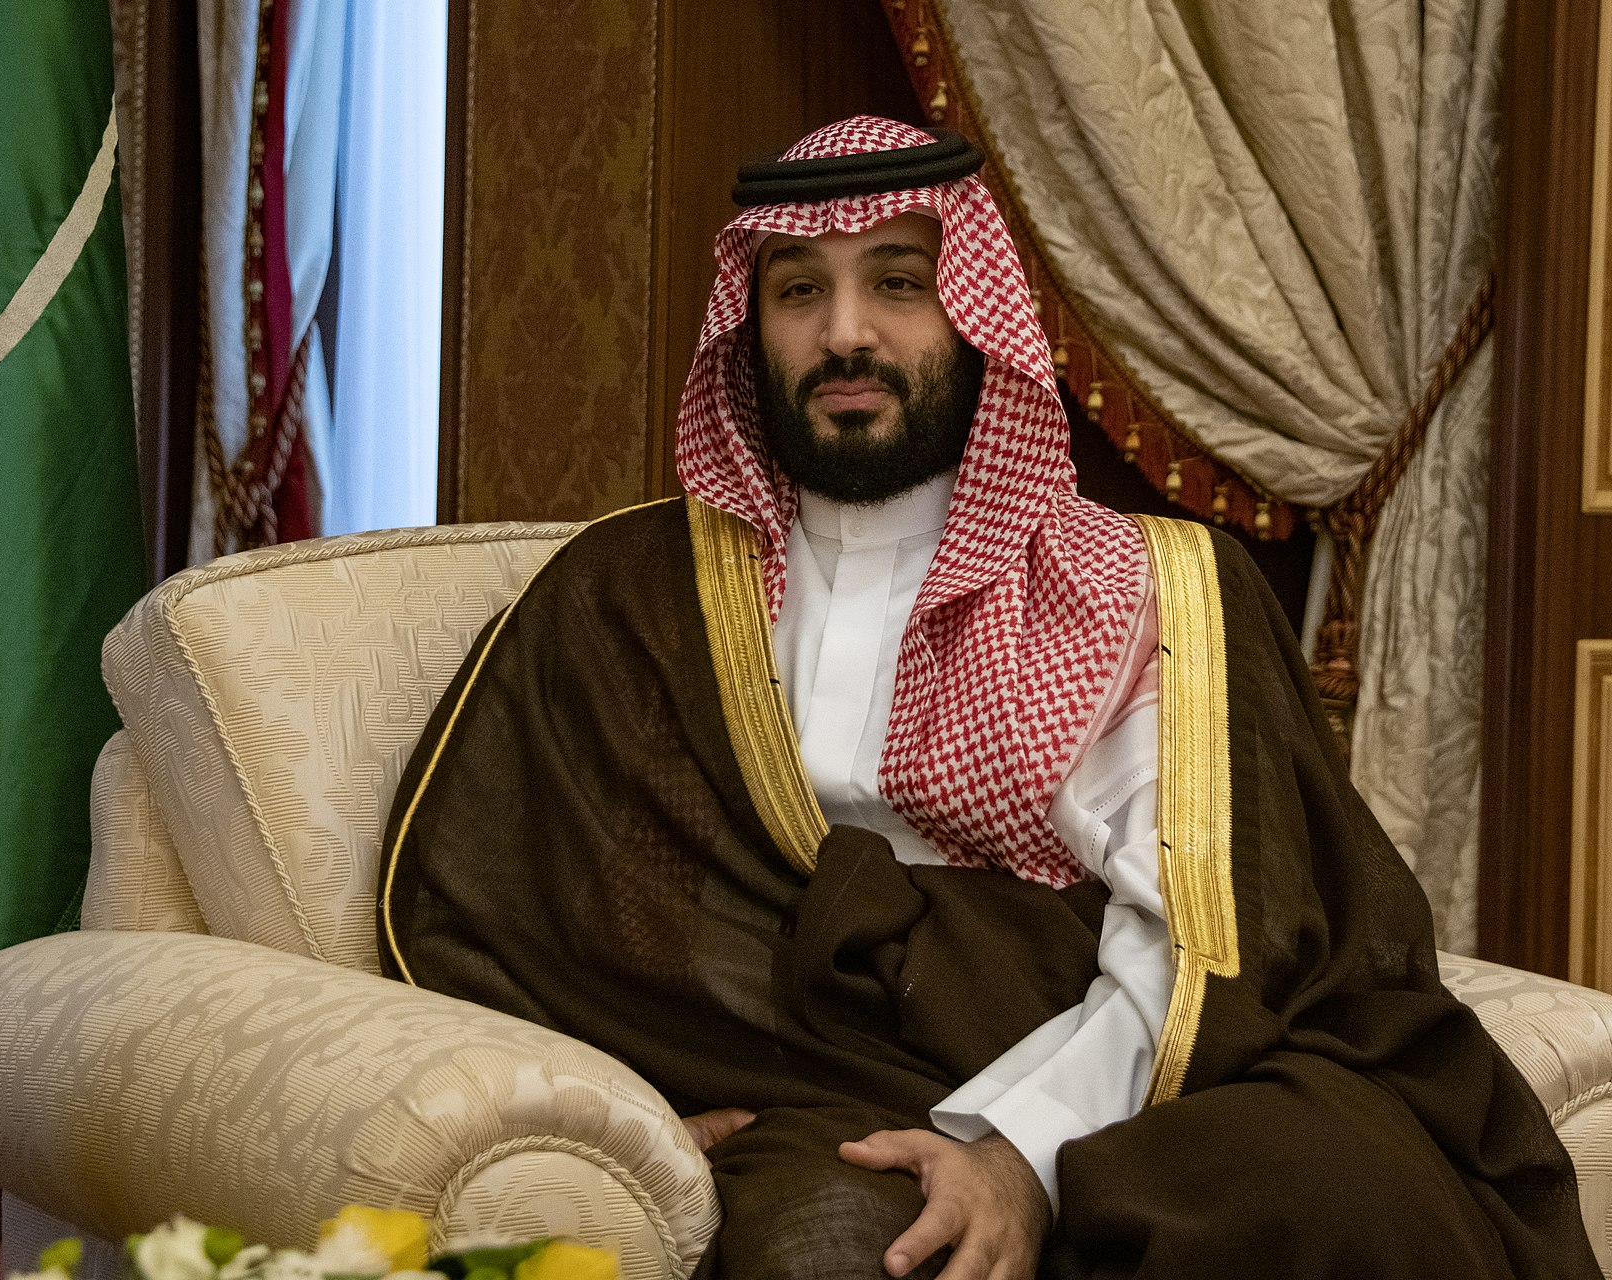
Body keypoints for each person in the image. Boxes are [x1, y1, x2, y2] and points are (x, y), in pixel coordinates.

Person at [378, 116, 1598, 1280]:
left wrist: (1018, 1148)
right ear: (749, 324)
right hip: (815, 1090)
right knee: (835, 1247)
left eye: (898, 282)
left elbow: (1195, 930)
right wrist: (627, 1101)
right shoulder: (632, 592)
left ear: (976, 315)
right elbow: (493, 895)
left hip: (1119, 1074)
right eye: (800, 290)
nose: (846, 333)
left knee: (1346, 1189)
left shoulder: (1133, 585)